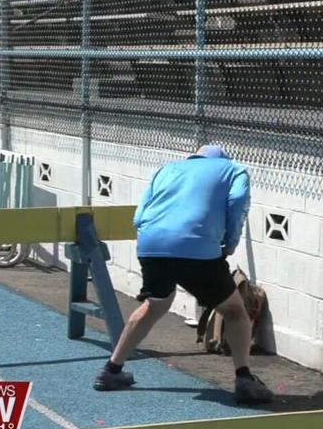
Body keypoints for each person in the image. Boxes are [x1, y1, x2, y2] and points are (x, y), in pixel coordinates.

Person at [93, 144, 274, 405]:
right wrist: (230, 241)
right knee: (234, 311)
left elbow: (139, 215)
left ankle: (111, 370)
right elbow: (236, 202)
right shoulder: (234, 170)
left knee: (155, 304)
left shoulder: (167, 169)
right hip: (197, 248)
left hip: (151, 246)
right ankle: (244, 379)